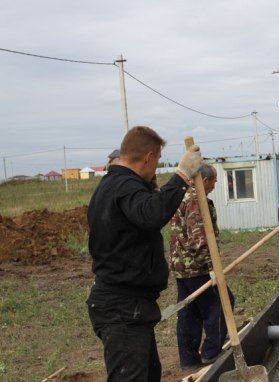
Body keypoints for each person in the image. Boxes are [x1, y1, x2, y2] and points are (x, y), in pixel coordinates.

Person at [86, 126, 202, 381]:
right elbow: (151, 214)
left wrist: (154, 190)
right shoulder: (125, 186)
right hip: (123, 307)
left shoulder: (111, 186)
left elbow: (139, 217)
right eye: (158, 159)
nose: (156, 165)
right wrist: (181, 176)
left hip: (128, 305)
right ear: (149, 157)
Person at [169, 164, 235, 369]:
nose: (214, 186)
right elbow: (199, 238)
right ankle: (211, 352)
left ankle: (188, 360)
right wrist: (212, 268)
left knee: (189, 312)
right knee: (221, 304)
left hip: (181, 266)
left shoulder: (182, 196)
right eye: (214, 181)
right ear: (204, 180)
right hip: (197, 267)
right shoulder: (196, 200)